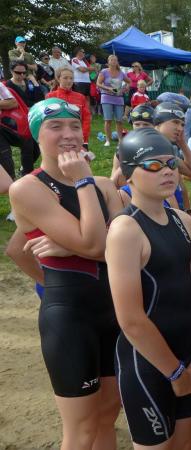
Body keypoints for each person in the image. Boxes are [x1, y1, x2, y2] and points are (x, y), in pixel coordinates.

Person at [9, 98, 123, 448]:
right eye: (55, 126)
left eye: (74, 125)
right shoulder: (28, 188)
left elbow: (128, 247)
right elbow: (95, 244)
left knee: (108, 415)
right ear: (36, 135)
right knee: (81, 428)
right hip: (70, 318)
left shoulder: (105, 185)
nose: (69, 134)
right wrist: (82, 181)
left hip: (114, 313)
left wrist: (68, 246)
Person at [107, 127, 191, 448]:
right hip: (148, 364)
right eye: (153, 165)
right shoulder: (125, 230)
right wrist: (174, 372)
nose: (167, 171)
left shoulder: (183, 221)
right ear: (129, 175)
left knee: (184, 444)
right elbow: (131, 320)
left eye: (171, 163)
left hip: (186, 354)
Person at [46, 67, 91, 149]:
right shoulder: (51, 97)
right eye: (65, 78)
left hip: (77, 138)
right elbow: (48, 120)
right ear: (58, 79)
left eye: (71, 78)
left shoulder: (80, 97)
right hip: (58, 139)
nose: (69, 81)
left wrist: (83, 136)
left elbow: (86, 118)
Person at [96, 55, 131, 147]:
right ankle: (108, 140)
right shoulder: (104, 71)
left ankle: (120, 140)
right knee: (108, 120)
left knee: (119, 120)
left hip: (119, 98)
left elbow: (129, 81)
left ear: (117, 62)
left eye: (115, 60)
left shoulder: (121, 73)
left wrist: (126, 88)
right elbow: (98, 83)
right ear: (108, 62)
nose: (114, 61)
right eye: (112, 60)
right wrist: (108, 88)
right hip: (106, 97)